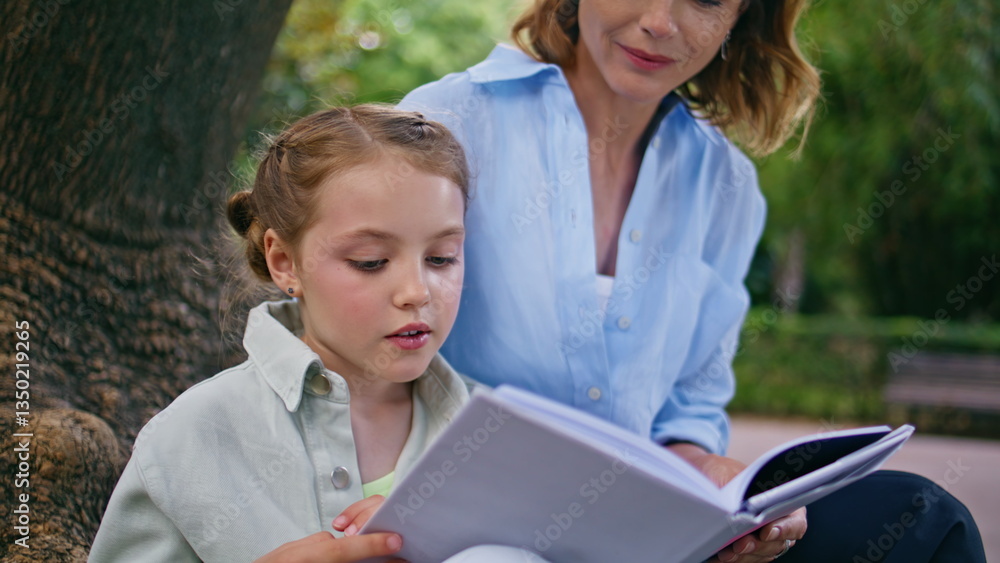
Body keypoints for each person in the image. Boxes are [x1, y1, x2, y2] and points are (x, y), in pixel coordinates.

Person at [399, 0, 987, 561]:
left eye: (705, 0)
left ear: (741, 16)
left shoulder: (726, 184)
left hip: (641, 530)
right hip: (475, 526)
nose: (659, 22)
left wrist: (719, 481)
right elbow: (364, 343)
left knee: (921, 517)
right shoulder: (447, 122)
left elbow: (689, 408)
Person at [89, 105, 473, 562]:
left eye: (442, 257)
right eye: (370, 261)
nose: (416, 292)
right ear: (285, 262)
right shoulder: (190, 439)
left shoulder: (504, 443)